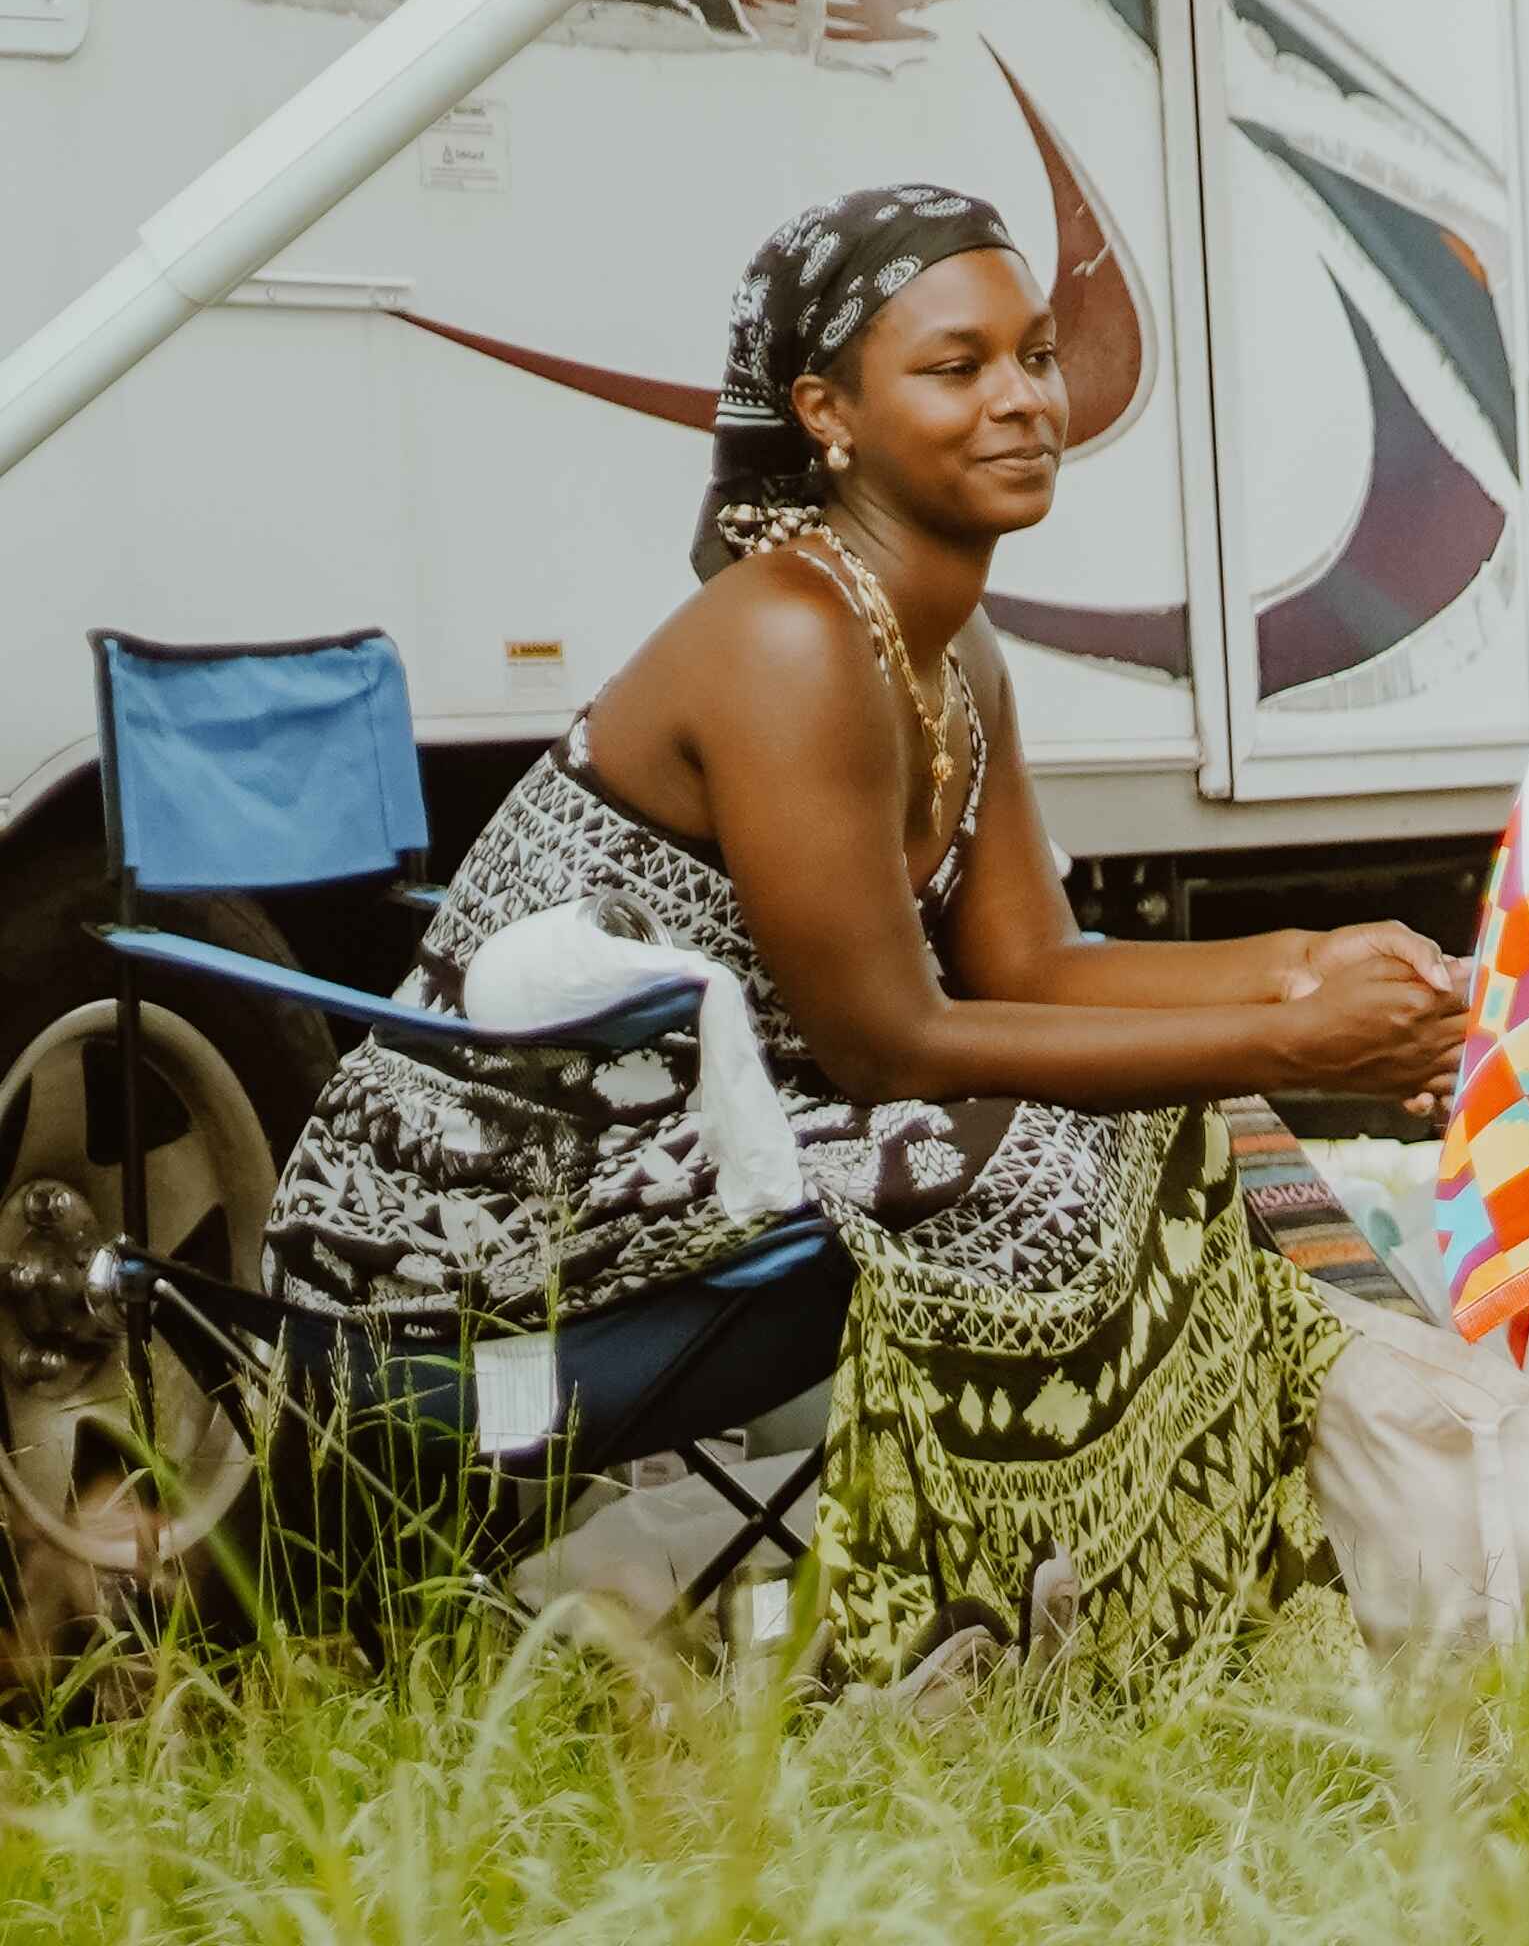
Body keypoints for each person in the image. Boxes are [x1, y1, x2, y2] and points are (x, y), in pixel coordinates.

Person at [264, 182, 1465, 1701]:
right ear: (827, 411)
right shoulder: (789, 636)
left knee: (1178, 1114)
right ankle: (973, 1651)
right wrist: (1295, 1036)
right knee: (1040, 1155)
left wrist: (1328, 963)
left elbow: (1038, 972)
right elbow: (892, 1048)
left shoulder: (945, 646)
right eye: (958, 369)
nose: (1025, 399)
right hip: (481, 1239)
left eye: (1033, 355)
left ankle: (1211, 1621)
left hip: (715, 1153)